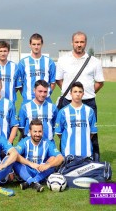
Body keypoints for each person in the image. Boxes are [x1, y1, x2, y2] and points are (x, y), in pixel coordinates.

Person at [56, 31, 104, 160]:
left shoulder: (94, 61)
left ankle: (94, 162)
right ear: (72, 43)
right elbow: (59, 79)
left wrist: (85, 93)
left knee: (91, 133)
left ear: (85, 43)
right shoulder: (63, 60)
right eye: (76, 42)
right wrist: (72, 94)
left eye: (82, 42)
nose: (79, 44)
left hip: (88, 102)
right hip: (68, 102)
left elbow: (100, 82)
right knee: (66, 133)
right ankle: (64, 162)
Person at [14, 119, 64, 192]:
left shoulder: (47, 143)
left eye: (39, 131)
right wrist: (31, 164)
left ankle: (31, 182)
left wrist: (47, 165)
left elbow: (60, 158)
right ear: (29, 132)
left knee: (54, 159)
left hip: (41, 170)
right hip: (27, 170)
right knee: (14, 161)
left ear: (42, 132)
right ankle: (33, 182)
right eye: (35, 131)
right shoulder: (25, 141)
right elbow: (13, 154)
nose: (37, 134)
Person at [55, 82, 97, 158]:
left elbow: (92, 132)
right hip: (68, 154)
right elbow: (59, 133)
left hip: (86, 153)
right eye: (75, 92)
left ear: (83, 94)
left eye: (80, 92)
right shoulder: (63, 112)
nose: (77, 94)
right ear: (70, 94)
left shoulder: (89, 111)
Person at [17, 33, 56, 104]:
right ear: (30, 45)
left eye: (38, 44)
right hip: (28, 100)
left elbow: (53, 83)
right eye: (34, 44)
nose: (36, 47)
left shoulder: (49, 62)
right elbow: (20, 84)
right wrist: (26, 95)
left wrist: (46, 94)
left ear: (42, 45)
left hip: (45, 100)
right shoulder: (23, 62)